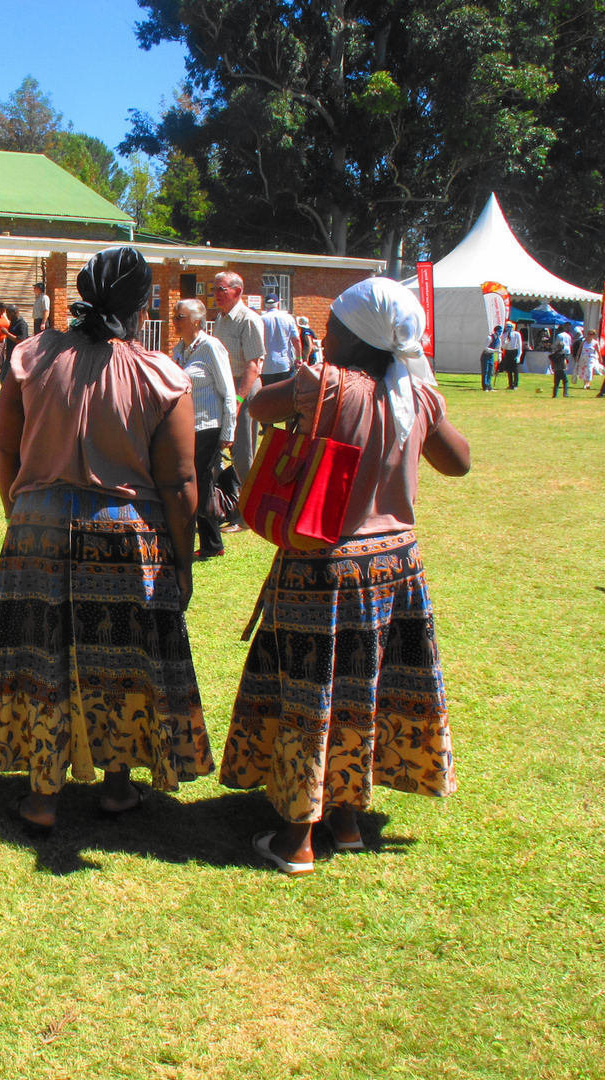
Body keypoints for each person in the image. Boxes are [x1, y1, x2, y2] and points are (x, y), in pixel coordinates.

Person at [0, 246, 214, 832]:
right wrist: (181, 558)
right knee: (118, 658)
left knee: (45, 656)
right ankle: (118, 787)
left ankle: (43, 797)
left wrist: (20, 513)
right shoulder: (161, 374)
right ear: (142, 307)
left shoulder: (28, 357)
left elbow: (3, 446)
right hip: (125, 535)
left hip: (37, 525)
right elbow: (178, 482)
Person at [221, 276, 470, 875]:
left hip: (325, 567)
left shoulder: (325, 384)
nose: (323, 334)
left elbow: (258, 406)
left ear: (357, 338)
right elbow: (457, 462)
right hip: (395, 566)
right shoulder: (414, 393)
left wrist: (313, 380)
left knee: (315, 693)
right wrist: (424, 400)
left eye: (332, 326)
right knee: (364, 689)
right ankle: (347, 818)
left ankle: (297, 839)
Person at [171, 298, 236, 559]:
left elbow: (228, 392)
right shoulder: (179, 350)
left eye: (180, 317)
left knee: (198, 481)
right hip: (186, 427)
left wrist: (228, 432)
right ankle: (211, 543)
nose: (175, 321)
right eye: (175, 316)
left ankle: (207, 542)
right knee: (201, 483)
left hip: (208, 426)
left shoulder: (211, 347)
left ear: (197, 320)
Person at [210, 272, 267, 532]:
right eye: (214, 289)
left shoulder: (249, 319)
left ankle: (249, 516)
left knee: (243, 453)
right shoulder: (220, 319)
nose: (216, 294)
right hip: (224, 386)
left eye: (221, 289)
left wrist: (239, 399)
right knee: (220, 447)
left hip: (243, 386)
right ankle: (227, 507)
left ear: (238, 291)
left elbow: (254, 365)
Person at [259, 294, 299, 387]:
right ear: (277, 303)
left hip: (266, 365)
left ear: (265, 304)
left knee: (267, 393)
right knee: (283, 393)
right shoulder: (288, 318)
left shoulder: (260, 319)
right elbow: (296, 340)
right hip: (284, 363)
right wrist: (299, 358)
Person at [501, 322, 524, 389]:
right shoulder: (504, 335)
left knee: (515, 369)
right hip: (508, 352)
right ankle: (510, 384)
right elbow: (503, 347)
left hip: (515, 351)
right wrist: (505, 343)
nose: (509, 328)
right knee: (509, 369)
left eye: (510, 327)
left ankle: (515, 384)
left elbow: (519, 345)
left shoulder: (517, 334)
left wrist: (519, 355)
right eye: (507, 327)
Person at [549, 331, 571, 398]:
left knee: (556, 383)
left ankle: (554, 395)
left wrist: (552, 367)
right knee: (565, 381)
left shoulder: (553, 355)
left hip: (556, 369)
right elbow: (564, 361)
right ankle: (565, 393)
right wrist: (566, 366)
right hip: (562, 369)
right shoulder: (563, 354)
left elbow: (551, 360)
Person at [481, 325, 502, 391]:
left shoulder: (499, 339)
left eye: (501, 331)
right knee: (485, 371)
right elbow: (486, 348)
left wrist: (499, 357)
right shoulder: (489, 338)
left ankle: (489, 386)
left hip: (491, 356)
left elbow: (498, 348)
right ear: (495, 331)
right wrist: (495, 351)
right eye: (499, 331)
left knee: (490, 371)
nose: (500, 333)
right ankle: (485, 387)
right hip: (485, 355)